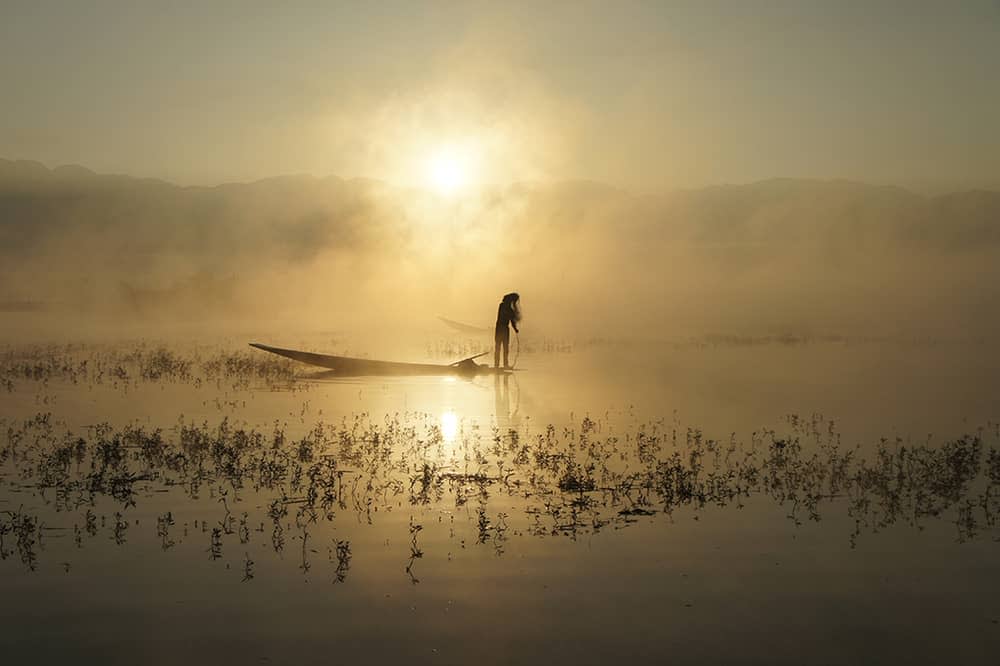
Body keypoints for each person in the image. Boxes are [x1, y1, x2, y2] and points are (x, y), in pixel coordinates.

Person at [494, 292, 520, 369]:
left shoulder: (509, 309)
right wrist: (514, 328)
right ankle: (497, 365)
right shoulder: (502, 306)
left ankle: (504, 364)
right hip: (501, 328)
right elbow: (509, 318)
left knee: (505, 347)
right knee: (498, 347)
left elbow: (512, 321)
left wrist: (515, 329)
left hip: (504, 328)